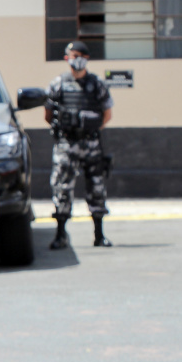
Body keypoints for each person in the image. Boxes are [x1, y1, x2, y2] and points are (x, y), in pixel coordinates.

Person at [44, 40, 114, 249]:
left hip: (91, 145)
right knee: (62, 188)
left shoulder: (97, 84)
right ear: (67, 58)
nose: (77, 60)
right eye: (73, 56)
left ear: (87, 58)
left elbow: (107, 115)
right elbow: (48, 115)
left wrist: (89, 129)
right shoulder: (58, 84)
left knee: (97, 188)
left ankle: (99, 235)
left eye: (80, 55)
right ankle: (60, 235)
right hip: (67, 144)